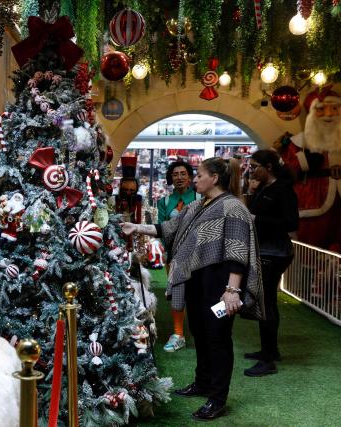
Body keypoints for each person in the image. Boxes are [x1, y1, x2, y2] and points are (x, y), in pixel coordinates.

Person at [121, 157, 263, 421]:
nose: (193, 179)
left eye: (198, 175)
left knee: (218, 338)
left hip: (220, 284)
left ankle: (217, 398)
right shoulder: (197, 206)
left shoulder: (233, 208)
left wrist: (232, 291)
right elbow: (168, 228)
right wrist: (135, 227)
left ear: (215, 178)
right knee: (199, 331)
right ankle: (203, 382)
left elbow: (237, 251)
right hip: (197, 282)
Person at [243, 150, 298, 377]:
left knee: (264, 304)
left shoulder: (283, 191)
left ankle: (267, 360)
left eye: (255, 166)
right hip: (267, 251)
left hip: (274, 253)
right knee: (268, 303)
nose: (251, 170)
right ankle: (270, 351)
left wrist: (257, 219)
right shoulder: (266, 189)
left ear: (269, 166)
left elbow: (291, 222)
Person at [277, 85, 341, 250]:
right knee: (310, 249)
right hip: (313, 202)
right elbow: (288, 170)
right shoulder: (299, 142)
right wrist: (305, 161)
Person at [157, 160, 201, 353]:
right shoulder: (164, 202)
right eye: (175, 174)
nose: (179, 177)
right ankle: (178, 334)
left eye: (183, 173)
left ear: (190, 176)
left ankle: (202, 333)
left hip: (199, 256)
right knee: (177, 293)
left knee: (199, 293)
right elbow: (162, 228)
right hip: (174, 256)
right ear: (170, 178)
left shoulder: (202, 197)